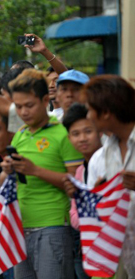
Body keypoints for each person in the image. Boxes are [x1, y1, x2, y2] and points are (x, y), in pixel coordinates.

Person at [0, 69, 84, 279]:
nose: (24, 112)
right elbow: (5, 182)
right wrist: (7, 171)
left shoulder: (64, 134)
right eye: (18, 107)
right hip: (21, 226)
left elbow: (77, 185)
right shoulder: (20, 135)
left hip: (54, 225)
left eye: (29, 105)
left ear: (46, 100)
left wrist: (35, 170)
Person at [64, 75, 135, 277]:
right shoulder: (99, 159)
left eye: (90, 109)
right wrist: (83, 196)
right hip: (119, 258)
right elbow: (96, 214)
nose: (87, 115)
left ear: (105, 113)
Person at [61, 103, 102, 279]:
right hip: (86, 246)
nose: (82, 138)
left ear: (100, 132)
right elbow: (73, 215)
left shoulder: (109, 163)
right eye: (76, 134)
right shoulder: (80, 172)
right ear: (69, 138)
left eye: (88, 131)